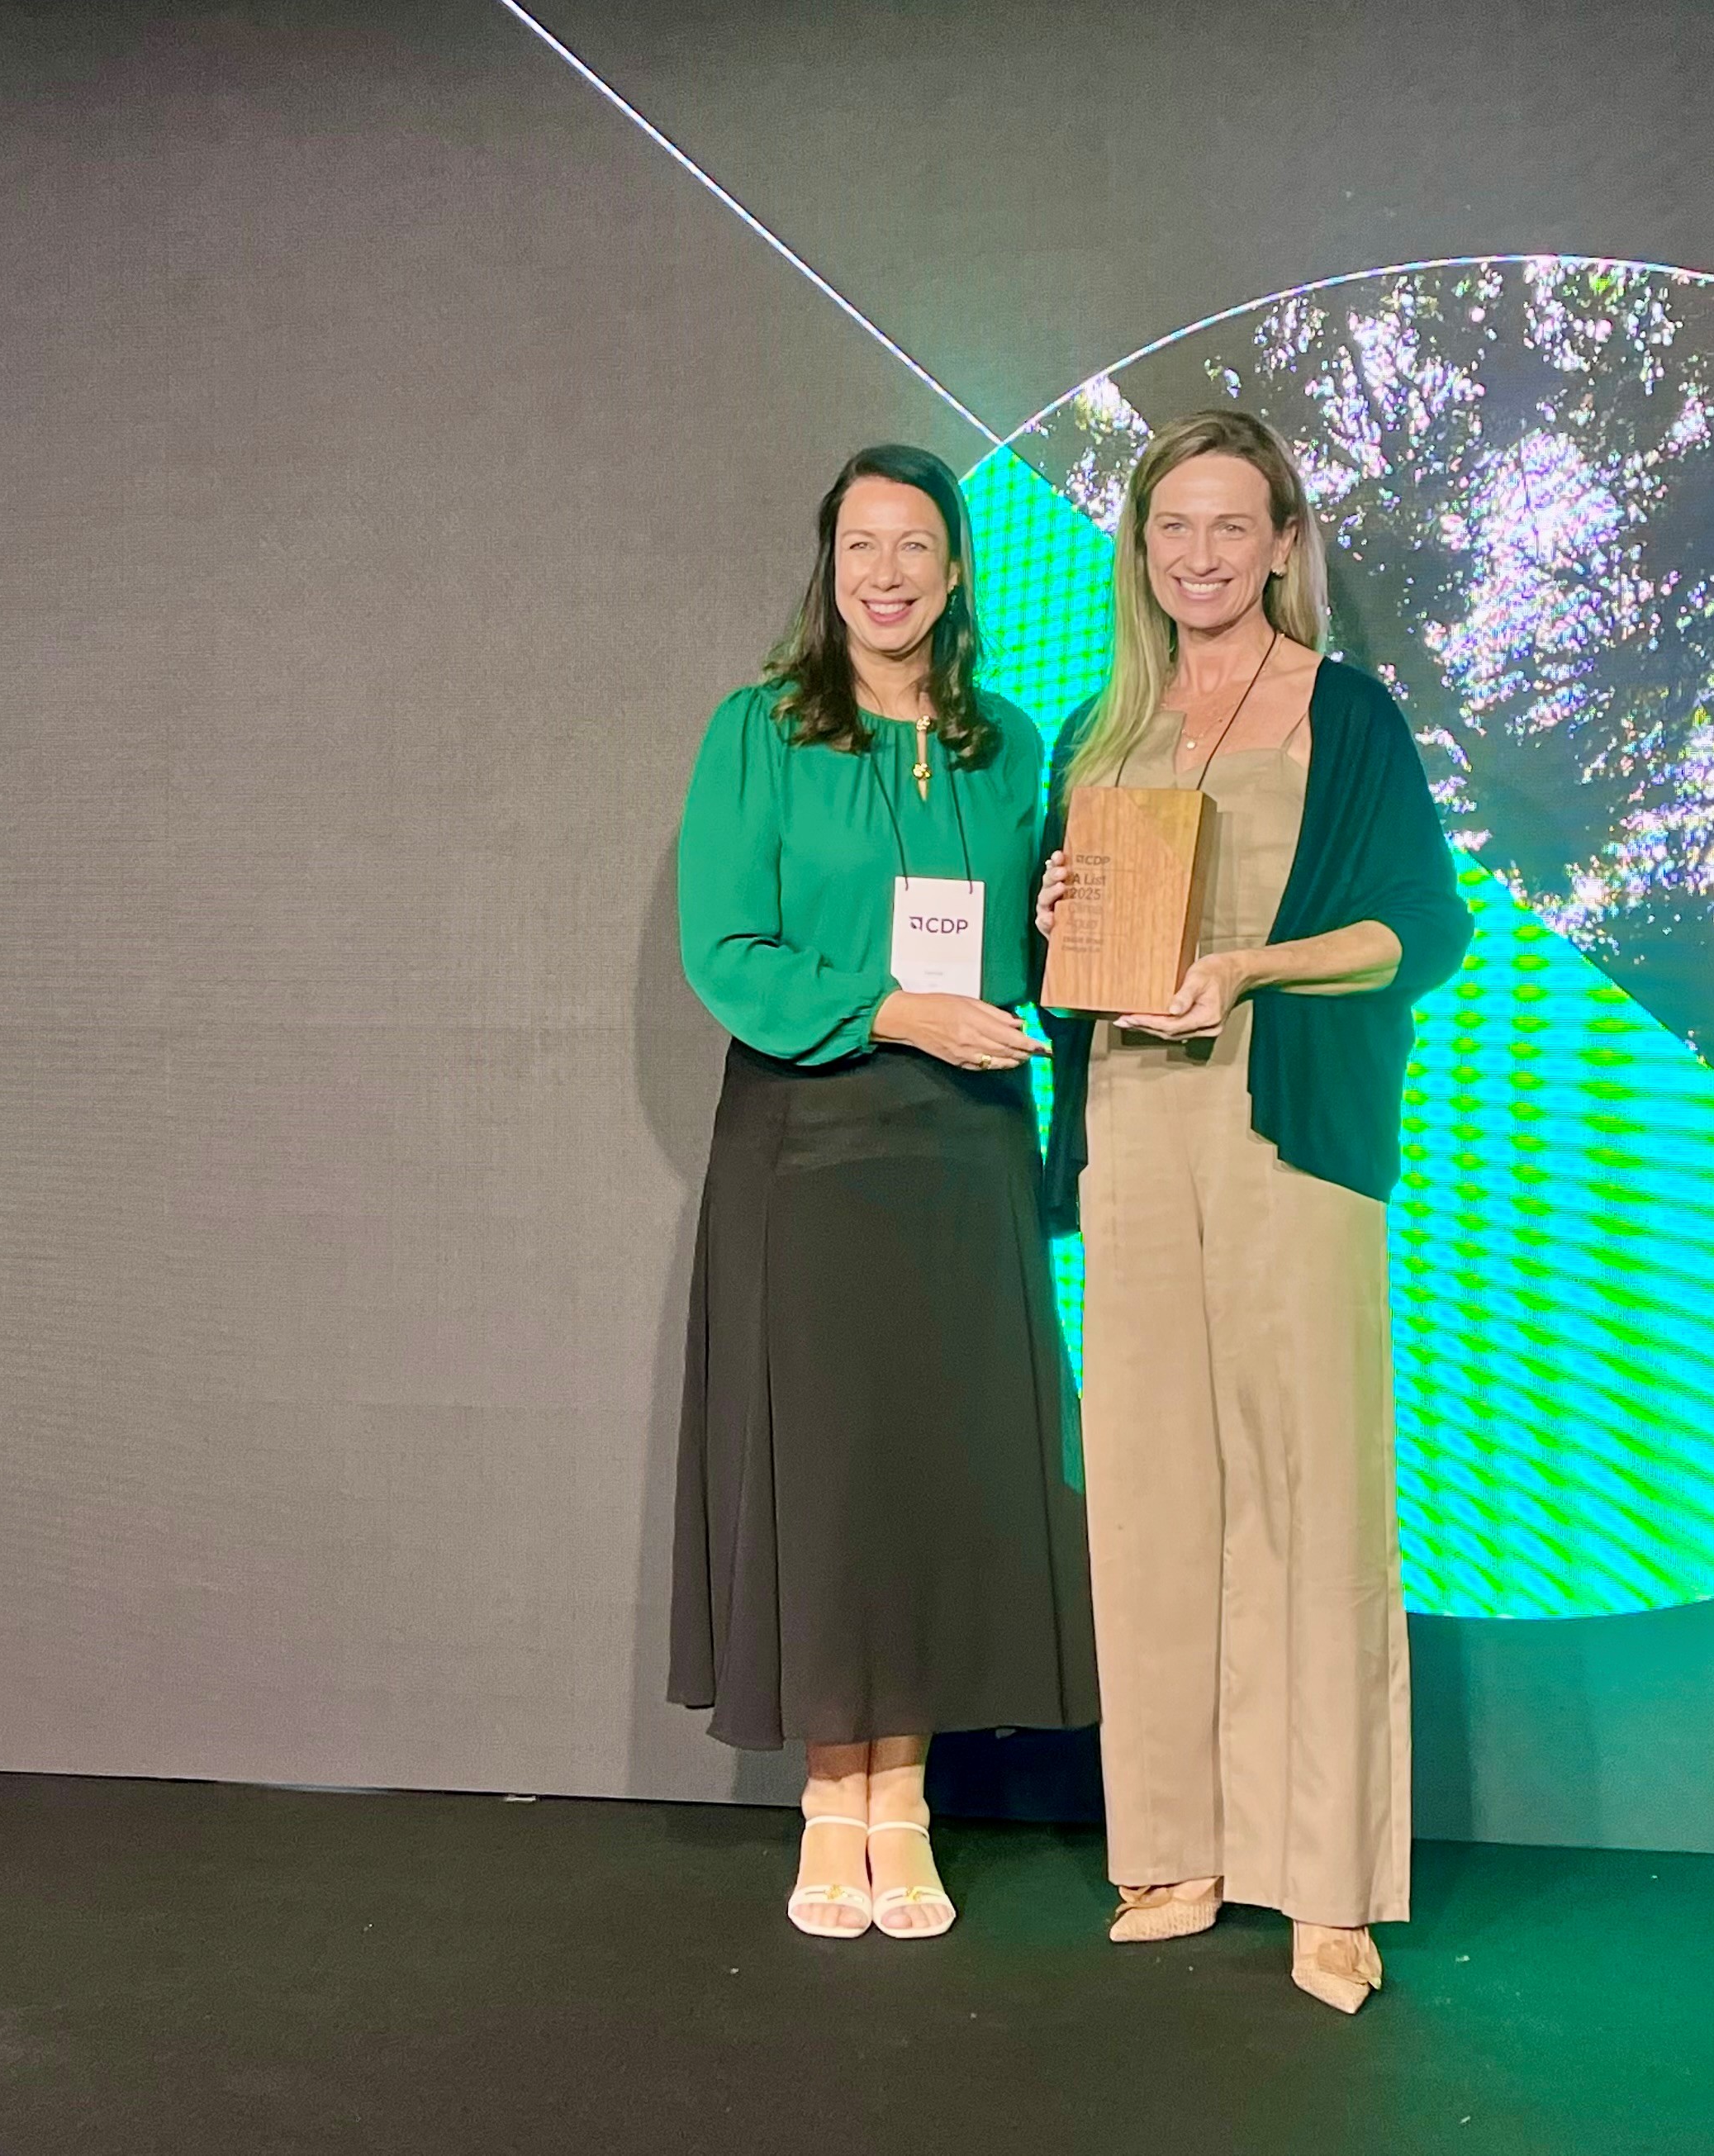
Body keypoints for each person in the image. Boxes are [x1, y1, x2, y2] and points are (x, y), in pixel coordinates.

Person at [1033, 410, 1469, 2011]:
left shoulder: (1346, 713)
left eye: (1231, 525)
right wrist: (1055, 910)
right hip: (1130, 1124)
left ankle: (1329, 1883)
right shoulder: (1100, 729)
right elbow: (1065, 950)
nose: (1199, 554)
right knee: (1149, 1485)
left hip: (1289, 1126)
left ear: (1285, 543)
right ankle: (1174, 1848)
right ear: (1140, 551)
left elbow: (1421, 932)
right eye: (1172, 527)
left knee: (1312, 1490)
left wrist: (1254, 968)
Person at [672, 443, 1096, 1941]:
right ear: (829, 563)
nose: (888, 573)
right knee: (831, 1471)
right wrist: (892, 1010)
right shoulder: (760, 728)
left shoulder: (1011, 742)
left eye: (915, 544)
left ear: (958, 566)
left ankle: (901, 1794)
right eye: (862, 544)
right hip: (812, 1143)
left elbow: (1017, 962)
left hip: (964, 1149)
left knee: (927, 1471)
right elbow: (727, 948)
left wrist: (1061, 913)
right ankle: (829, 1796)